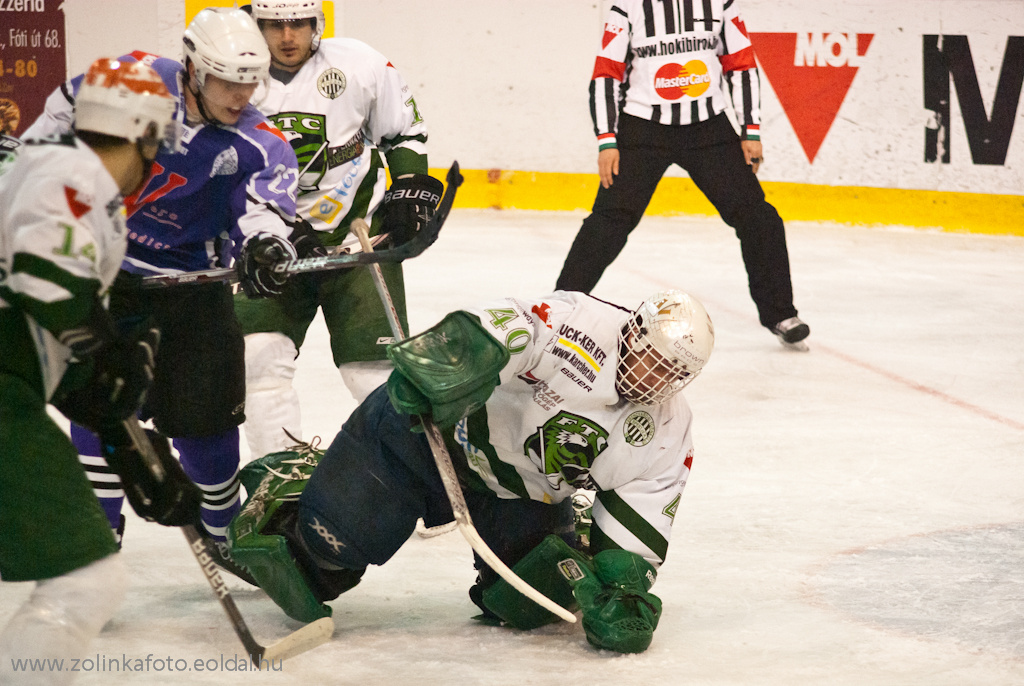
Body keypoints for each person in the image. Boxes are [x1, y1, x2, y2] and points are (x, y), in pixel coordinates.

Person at [227, 289, 714, 654]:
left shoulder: (668, 427)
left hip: (518, 492)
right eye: (650, 355)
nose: (652, 375)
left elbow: (648, 500)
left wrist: (624, 586)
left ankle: (569, 535)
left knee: (537, 601)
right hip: (428, 440)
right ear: (634, 328)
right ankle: (294, 482)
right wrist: (449, 365)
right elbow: (507, 328)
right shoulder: (579, 323)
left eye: (670, 371)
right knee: (325, 556)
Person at [21, 8, 301, 556]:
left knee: (207, 429)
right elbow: (64, 108)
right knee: (104, 408)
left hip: (196, 291)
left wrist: (268, 245)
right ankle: (95, 536)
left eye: (249, 83)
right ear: (194, 68)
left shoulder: (259, 142)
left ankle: (225, 533)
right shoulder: (133, 80)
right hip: (112, 279)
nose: (240, 96)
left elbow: (265, 210)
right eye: (226, 81)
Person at [0, 58, 199, 681]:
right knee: (86, 580)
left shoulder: (46, 165)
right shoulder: (73, 176)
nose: (157, 160)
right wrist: (110, 354)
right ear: (142, 132)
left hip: (15, 386)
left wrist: (125, 440)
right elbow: (43, 281)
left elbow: (52, 334)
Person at [235, 0, 442, 459]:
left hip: (358, 240)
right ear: (256, 24)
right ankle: (280, 476)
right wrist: (274, 233)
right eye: (274, 24)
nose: (287, 37)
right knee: (259, 362)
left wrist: (409, 188)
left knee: (373, 373)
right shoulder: (237, 78)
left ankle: (415, 481)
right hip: (271, 243)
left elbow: (405, 132)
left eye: (299, 23)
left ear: (317, 23)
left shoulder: (360, 64)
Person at [554, 0, 810, 350]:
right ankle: (559, 308)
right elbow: (606, 75)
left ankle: (781, 314)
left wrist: (750, 130)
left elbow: (742, 65)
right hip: (642, 131)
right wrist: (607, 140)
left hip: (709, 131)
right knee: (610, 219)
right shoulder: (626, 9)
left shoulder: (722, 4)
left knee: (758, 218)